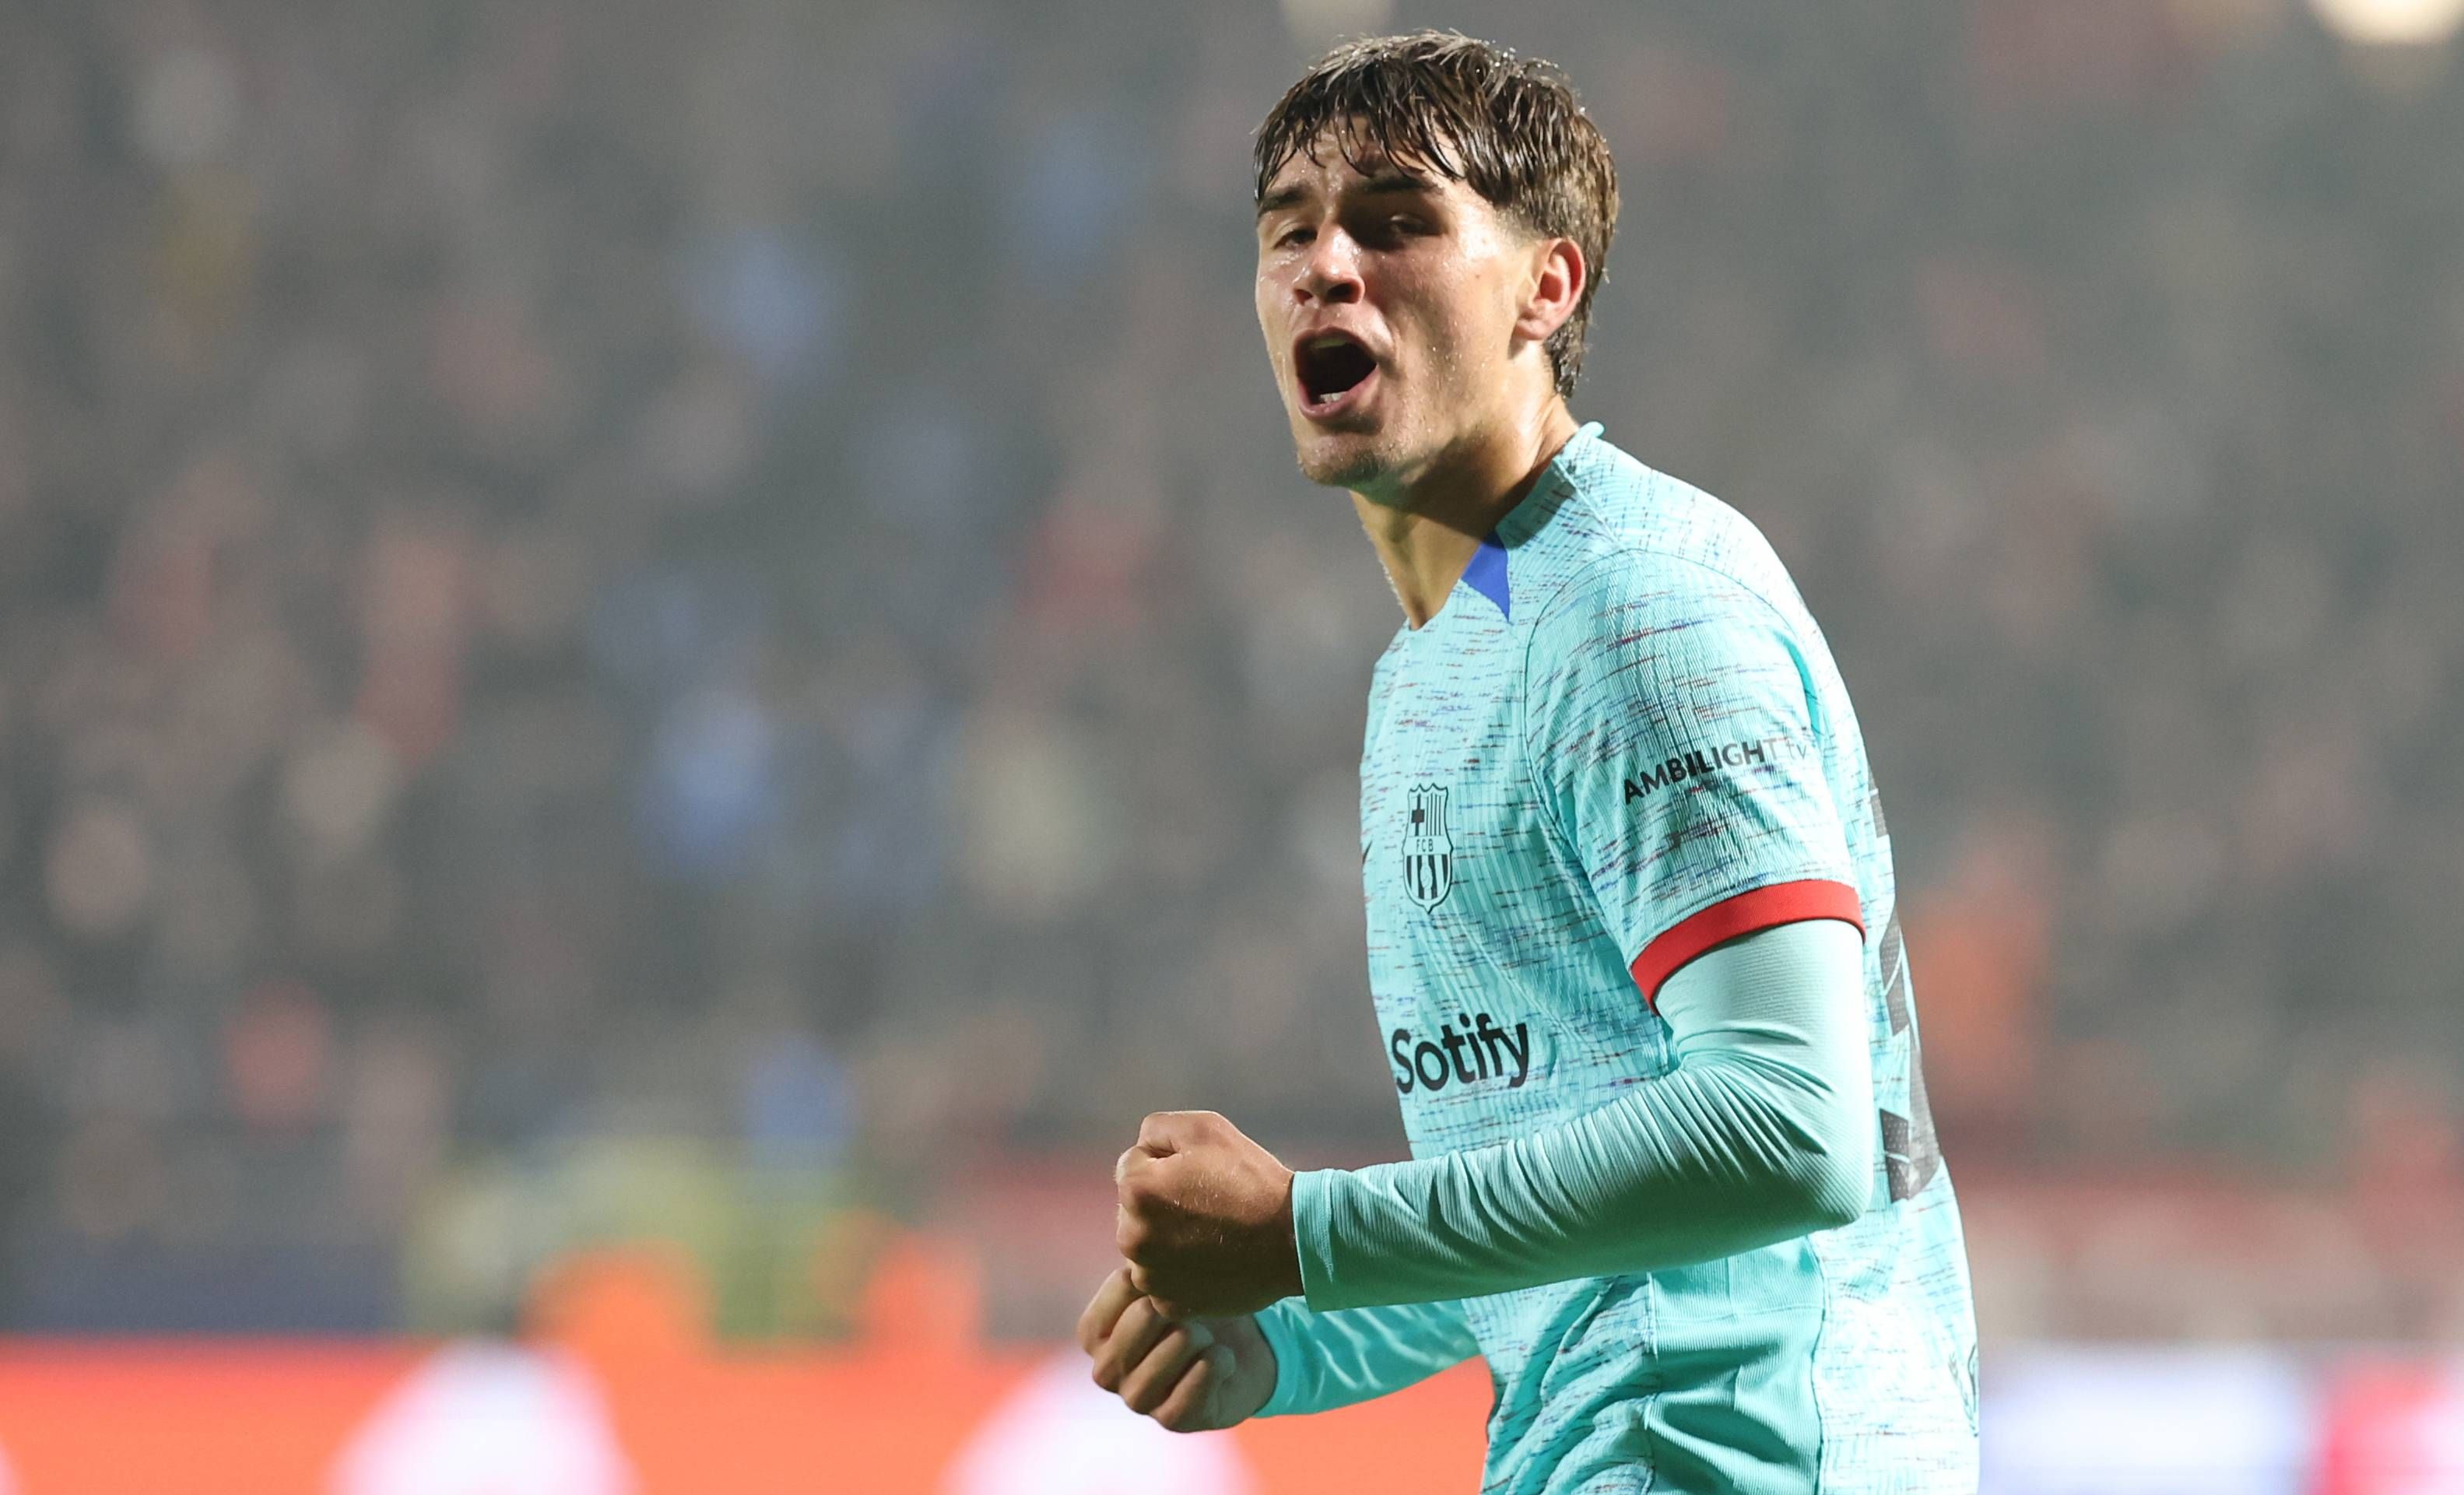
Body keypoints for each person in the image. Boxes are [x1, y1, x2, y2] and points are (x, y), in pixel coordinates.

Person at [1076, 30, 1978, 1493]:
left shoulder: (1639, 603)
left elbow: (1788, 1125)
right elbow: (1577, 1187)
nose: (1326, 267)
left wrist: (1306, 1231)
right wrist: (1291, 1332)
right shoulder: (1439, 660)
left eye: (1395, 223)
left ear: (1544, 289)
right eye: (1289, 232)